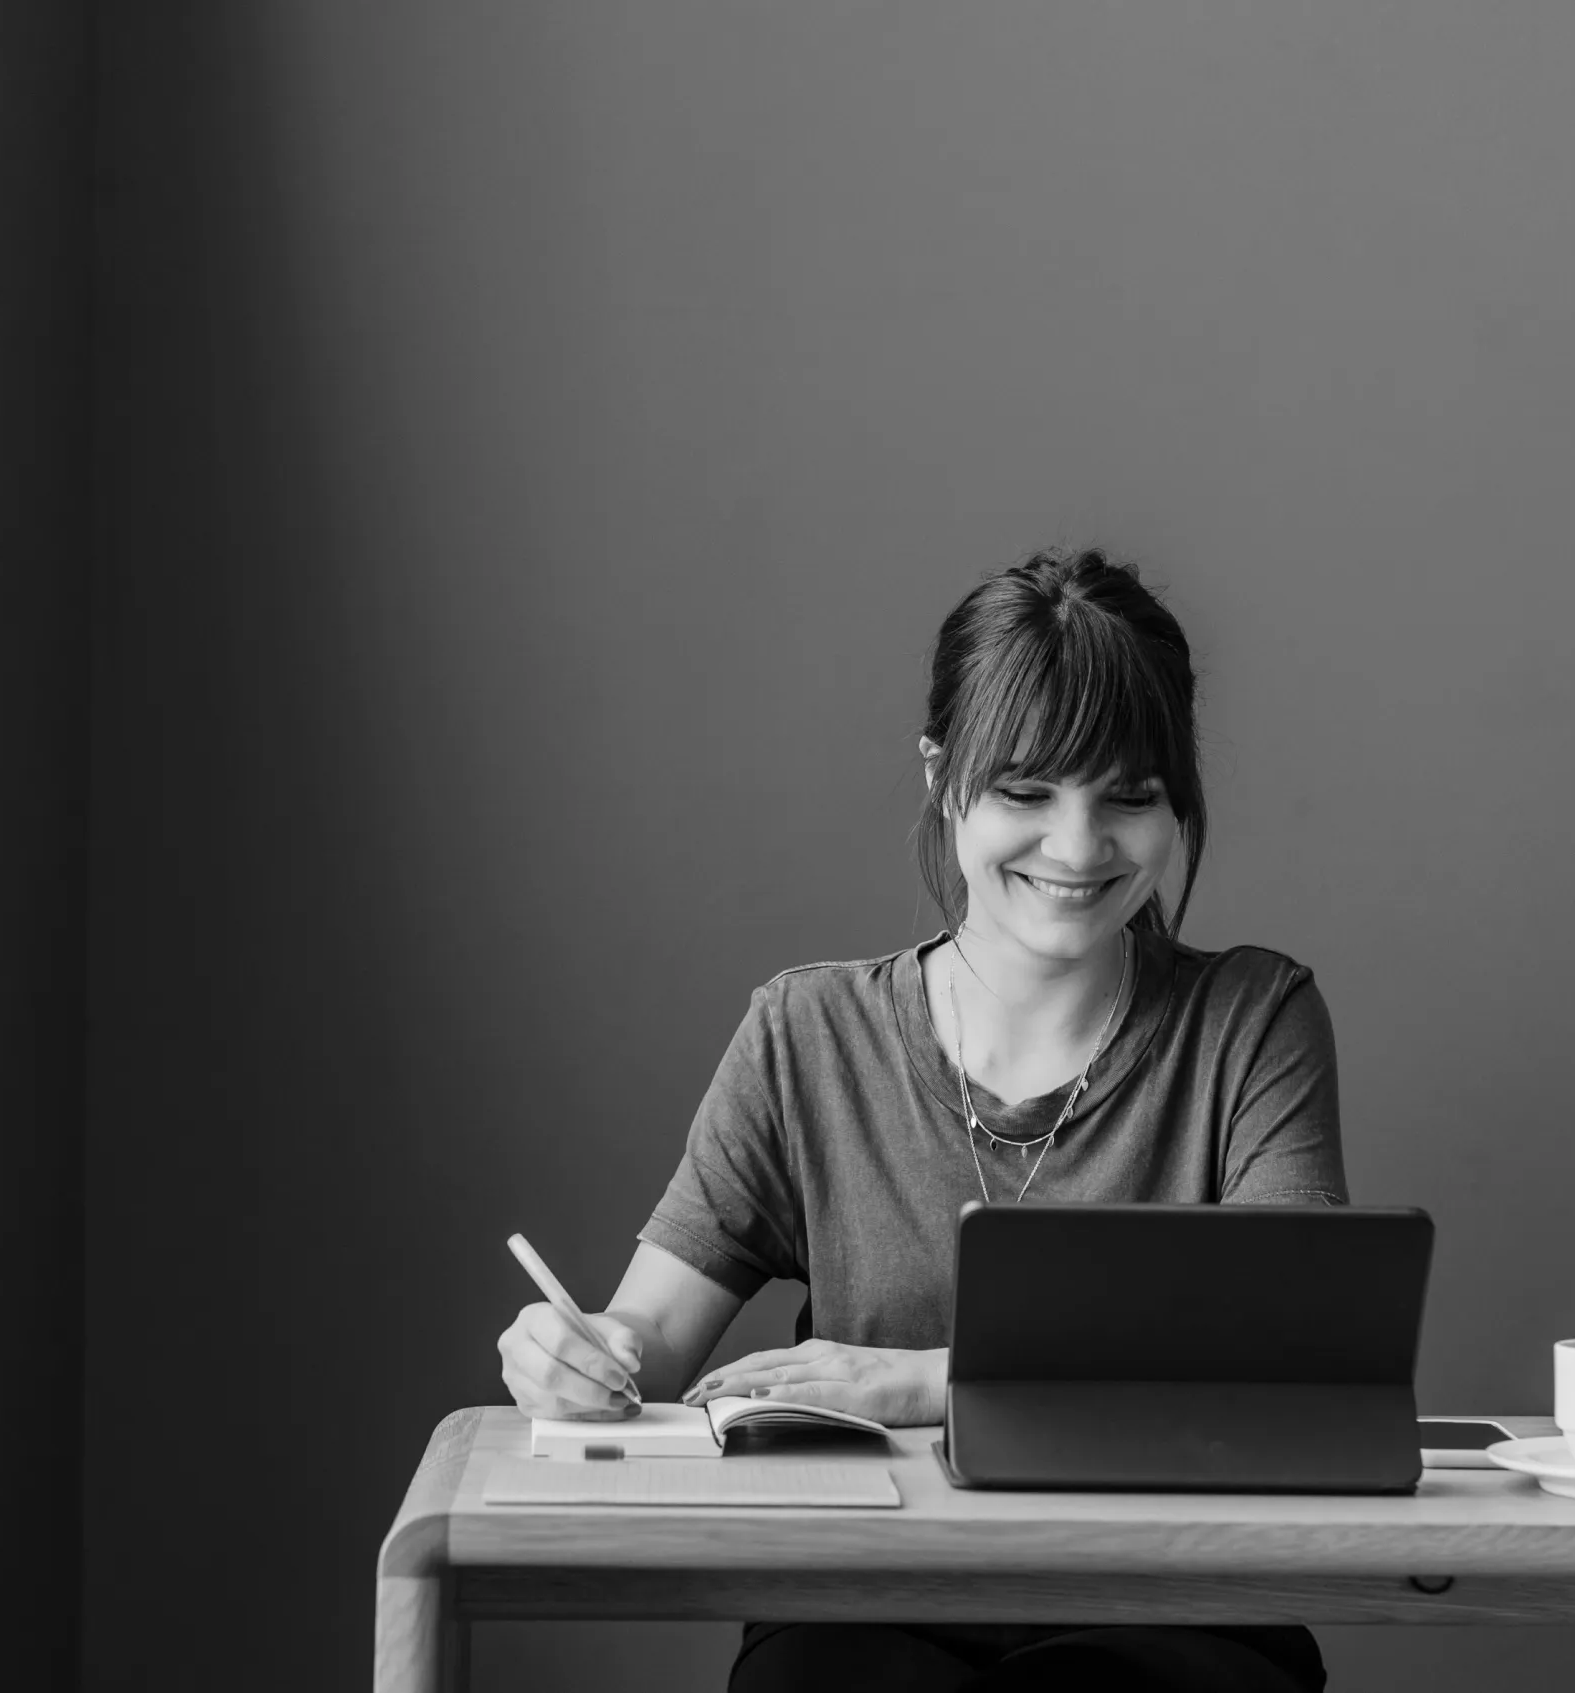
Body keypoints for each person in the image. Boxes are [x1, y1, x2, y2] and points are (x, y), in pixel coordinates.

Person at [497, 548, 1347, 1692]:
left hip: (1180, 1607)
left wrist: (920, 1384)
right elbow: (644, 1346)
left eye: (1130, 796)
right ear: (942, 776)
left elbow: (1290, 1366)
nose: (1079, 846)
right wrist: (575, 1356)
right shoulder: (808, 1032)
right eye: (1026, 792)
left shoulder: (1254, 1020)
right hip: (859, 1606)